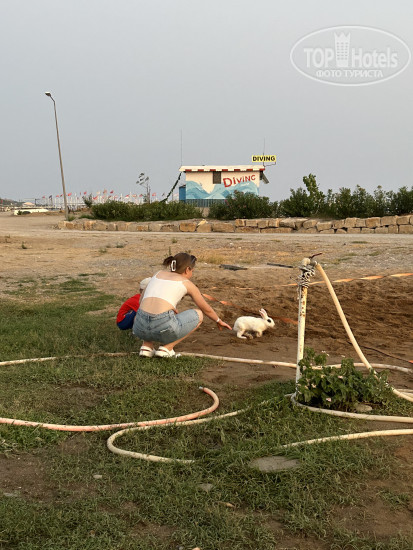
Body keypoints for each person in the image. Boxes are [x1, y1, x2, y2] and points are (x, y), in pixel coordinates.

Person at [132, 252, 232, 357]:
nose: (191, 274)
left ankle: (146, 346)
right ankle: (167, 348)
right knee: (198, 314)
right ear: (187, 269)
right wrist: (218, 320)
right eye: (192, 271)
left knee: (146, 311)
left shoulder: (158, 274)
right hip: (162, 325)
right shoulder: (186, 283)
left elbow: (141, 300)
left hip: (139, 326)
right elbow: (206, 309)